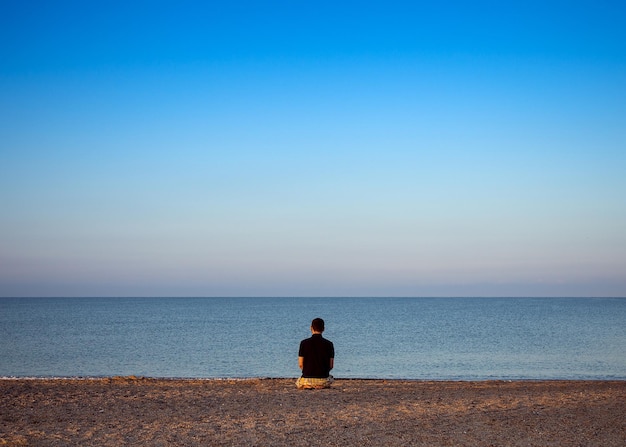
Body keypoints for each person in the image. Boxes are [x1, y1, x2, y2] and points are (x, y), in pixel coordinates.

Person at [296, 317, 335, 389]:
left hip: (307, 378)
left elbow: (301, 364)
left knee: (299, 382)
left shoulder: (304, 343)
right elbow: (331, 366)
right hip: (323, 378)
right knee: (330, 379)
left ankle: (308, 385)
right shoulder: (329, 344)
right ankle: (320, 385)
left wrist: (308, 371)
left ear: (311, 328)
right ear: (323, 329)